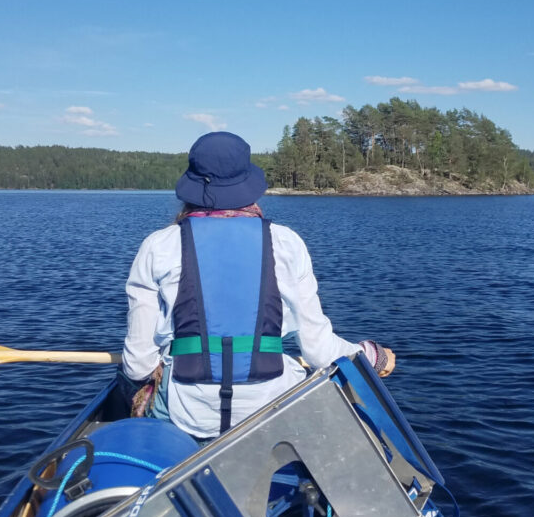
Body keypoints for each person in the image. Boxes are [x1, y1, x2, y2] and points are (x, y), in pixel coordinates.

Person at [119, 131, 395, 440]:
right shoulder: (287, 243)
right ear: (248, 184)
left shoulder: (158, 246)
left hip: (186, 413)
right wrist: (371, 355)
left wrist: (151, 368)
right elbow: (319, 352)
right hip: (266, 410)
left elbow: (137, 365)